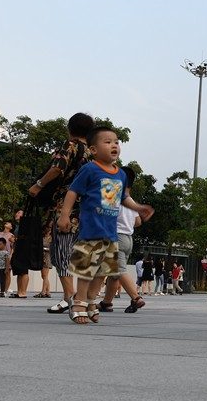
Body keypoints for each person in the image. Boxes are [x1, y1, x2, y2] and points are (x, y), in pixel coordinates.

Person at [57, 126, 152, 324]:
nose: (114, 145)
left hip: (111, 233)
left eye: (116, 142)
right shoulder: (90, 169)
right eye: (107, 142)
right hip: (91, 229)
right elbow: (73, 192)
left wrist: (138, 207)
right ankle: (79, 302)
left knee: (103, 272)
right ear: (93, 149)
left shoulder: (120, 174)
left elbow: (124, 197)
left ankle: (92, 301)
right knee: (87, 270)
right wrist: (64, 215)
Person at [28, 112, 95, 314]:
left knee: (62, 253)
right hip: (87, 210)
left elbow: (58, 168)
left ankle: (73, 298)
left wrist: (38, 185)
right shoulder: (93, 153)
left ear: (70, 128)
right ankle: (70, 297)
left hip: (65, 208)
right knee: (65, 254)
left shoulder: (71, 146)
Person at [97, 166, 151, 314]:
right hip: (128, 238)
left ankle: (135, 298)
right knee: (114, 273)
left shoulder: (114, 196)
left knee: (119, 270)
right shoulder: (131, 201)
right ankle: (107, 303)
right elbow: (138, 221)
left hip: (116, 237)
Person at [0, 221, 17, 296]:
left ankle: (4, 291)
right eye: (6, 223)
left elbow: (13, 247)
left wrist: (11, 256)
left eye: (9, 223)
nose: (6, 223)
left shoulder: (11, 236)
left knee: (7, 273)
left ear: (11, 227)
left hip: (6, 257)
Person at [35, 226, 52, 298]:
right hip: (41, 256)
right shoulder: (42, 238)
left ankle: (43, 291)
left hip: (47, 256)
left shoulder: (51, 238)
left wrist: (43, 248)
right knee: (43, 275)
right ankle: (48, 292)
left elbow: (51, 249)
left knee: (45, 275)